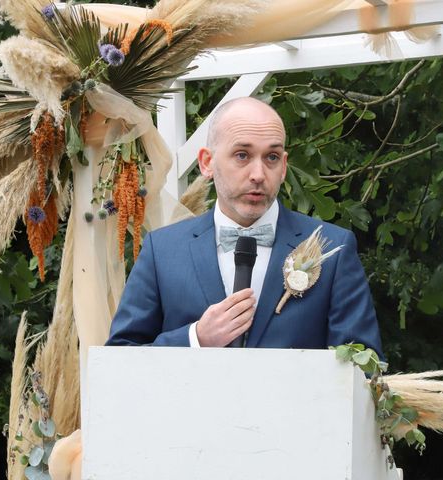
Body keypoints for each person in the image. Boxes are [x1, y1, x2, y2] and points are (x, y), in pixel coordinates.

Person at [106, 97, 382, 355]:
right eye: (242, 155)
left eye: (271, 157)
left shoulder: (333, 249)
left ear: (284, 167)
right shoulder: (162, 251)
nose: (258, 175)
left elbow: (362, 366)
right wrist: (196, 339)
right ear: (207, 163)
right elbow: (121, 356)